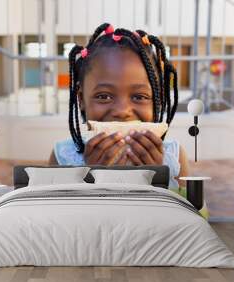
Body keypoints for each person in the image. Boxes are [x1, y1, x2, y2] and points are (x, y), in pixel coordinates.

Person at [48, 23, 189, 192]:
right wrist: (90, 177)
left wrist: (157, 180)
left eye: (139, 97)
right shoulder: (62, 157)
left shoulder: (174, 156)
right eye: (104, 96)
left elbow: (194, 214)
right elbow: (58, 214)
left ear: (157, 101)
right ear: (81, 100)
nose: (122, 111)